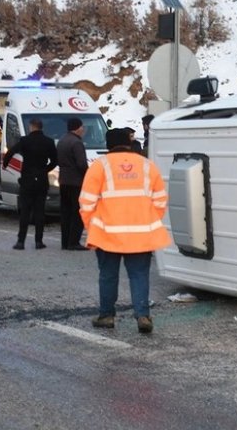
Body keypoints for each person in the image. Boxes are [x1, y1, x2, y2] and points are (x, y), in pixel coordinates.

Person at [80, 128, 171, 334]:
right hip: (141, 234)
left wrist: (92, 227)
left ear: (108, 145)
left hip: (107, 234)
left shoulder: (99, 166)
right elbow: (160, 200)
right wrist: (147, 220)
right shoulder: (148, 166)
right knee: (139, 275)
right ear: (129, 145)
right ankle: (143, 315)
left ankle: (107, 316)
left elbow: (86, 202)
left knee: (108, 275)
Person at [2, 118, 57, 250]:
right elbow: (55, 161)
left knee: (25, 211)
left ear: (31, 127)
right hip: (41, 181)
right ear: (41, 127)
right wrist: (44, 170)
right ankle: (39, 241)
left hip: (27, 180)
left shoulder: (24, 141)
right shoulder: (49, 142)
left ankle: (21, 241)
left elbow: (10, 152)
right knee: (39, 211)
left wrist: (5, 164)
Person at [56, 118, 89, 251]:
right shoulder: (77, 143)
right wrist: (88, 175)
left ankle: (65, 242)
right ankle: (74, 241)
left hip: (63, 180)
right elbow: (81, 164)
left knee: (65, 212)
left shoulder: (62, 141)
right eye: (82, 127)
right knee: (77, 212)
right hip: (76, 182)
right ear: (77, 128)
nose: (83, 129)